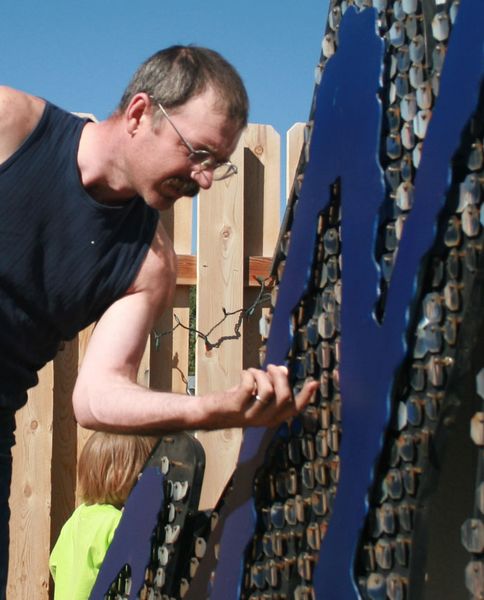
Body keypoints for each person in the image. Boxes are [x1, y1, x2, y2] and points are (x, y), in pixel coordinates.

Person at [0, 45, 318, 596]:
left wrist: (211, 409)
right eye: (197, 153)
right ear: (142, 112)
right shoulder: (12, 127)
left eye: (218, 163)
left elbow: (96, 396)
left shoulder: (147, 264)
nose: (206, 178)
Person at [49, 431, 158, 600]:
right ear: (121, 477)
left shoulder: (75, 518)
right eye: (140, 475)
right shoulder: (116, 522)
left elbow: (55, 565)